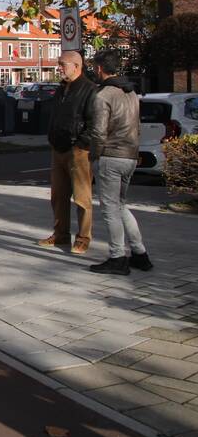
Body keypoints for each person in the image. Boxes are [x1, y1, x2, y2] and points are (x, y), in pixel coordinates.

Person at [89, 50, 153, 274]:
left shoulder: (103, 95)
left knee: (110, 210)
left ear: (99, 68)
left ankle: (117, 257)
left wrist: (94, 155)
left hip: (110, 156)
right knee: (121, 204)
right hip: (130, 155)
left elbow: (98, 132)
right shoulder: (130, 92)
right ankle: (140, 253)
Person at [38, 50, 97, 254]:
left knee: (82, 197)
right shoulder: (62, 89)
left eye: (63, 64)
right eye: (59, 63)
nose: (59, 67)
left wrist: (81, 144)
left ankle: (83, 238)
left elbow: (93, 123)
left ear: (77, 66)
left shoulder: (89, 90)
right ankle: (61, 234)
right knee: (58, 196)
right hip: (58, 148)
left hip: (78, 151)